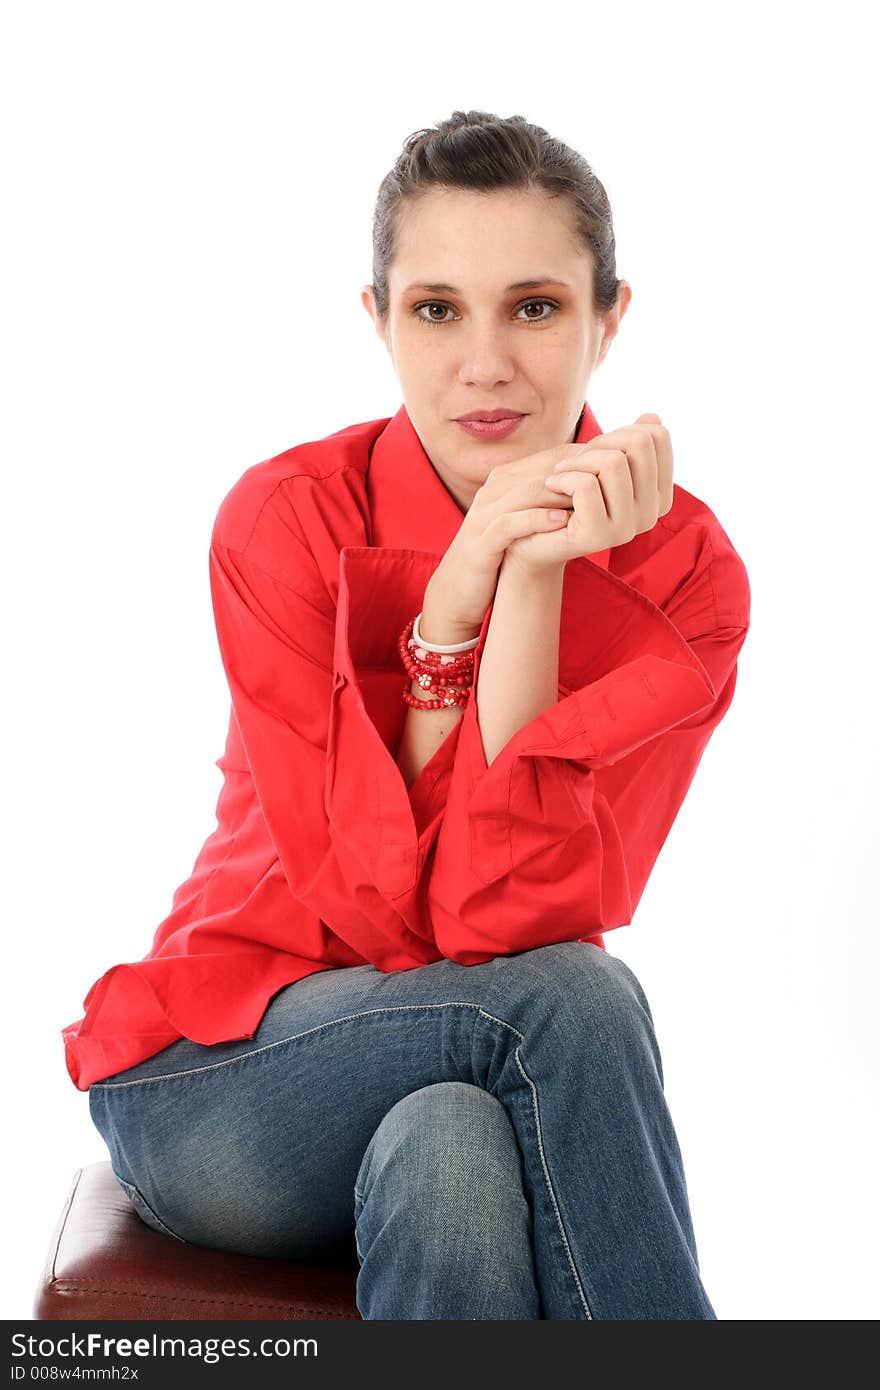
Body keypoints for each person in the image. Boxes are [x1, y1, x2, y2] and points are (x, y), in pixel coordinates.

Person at [65, 109, 750, 1320]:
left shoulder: (685, 573)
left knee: (453, 1150)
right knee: (577, 999)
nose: (484, 361)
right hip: (220, 1075)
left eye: (534, 307)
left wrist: (530, 573)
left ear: (608, 317)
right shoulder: (285, 521)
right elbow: (377, 911)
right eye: (436, 309)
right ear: (378, 319)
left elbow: (505, 917)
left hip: (470, 1062)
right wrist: (447, 601)